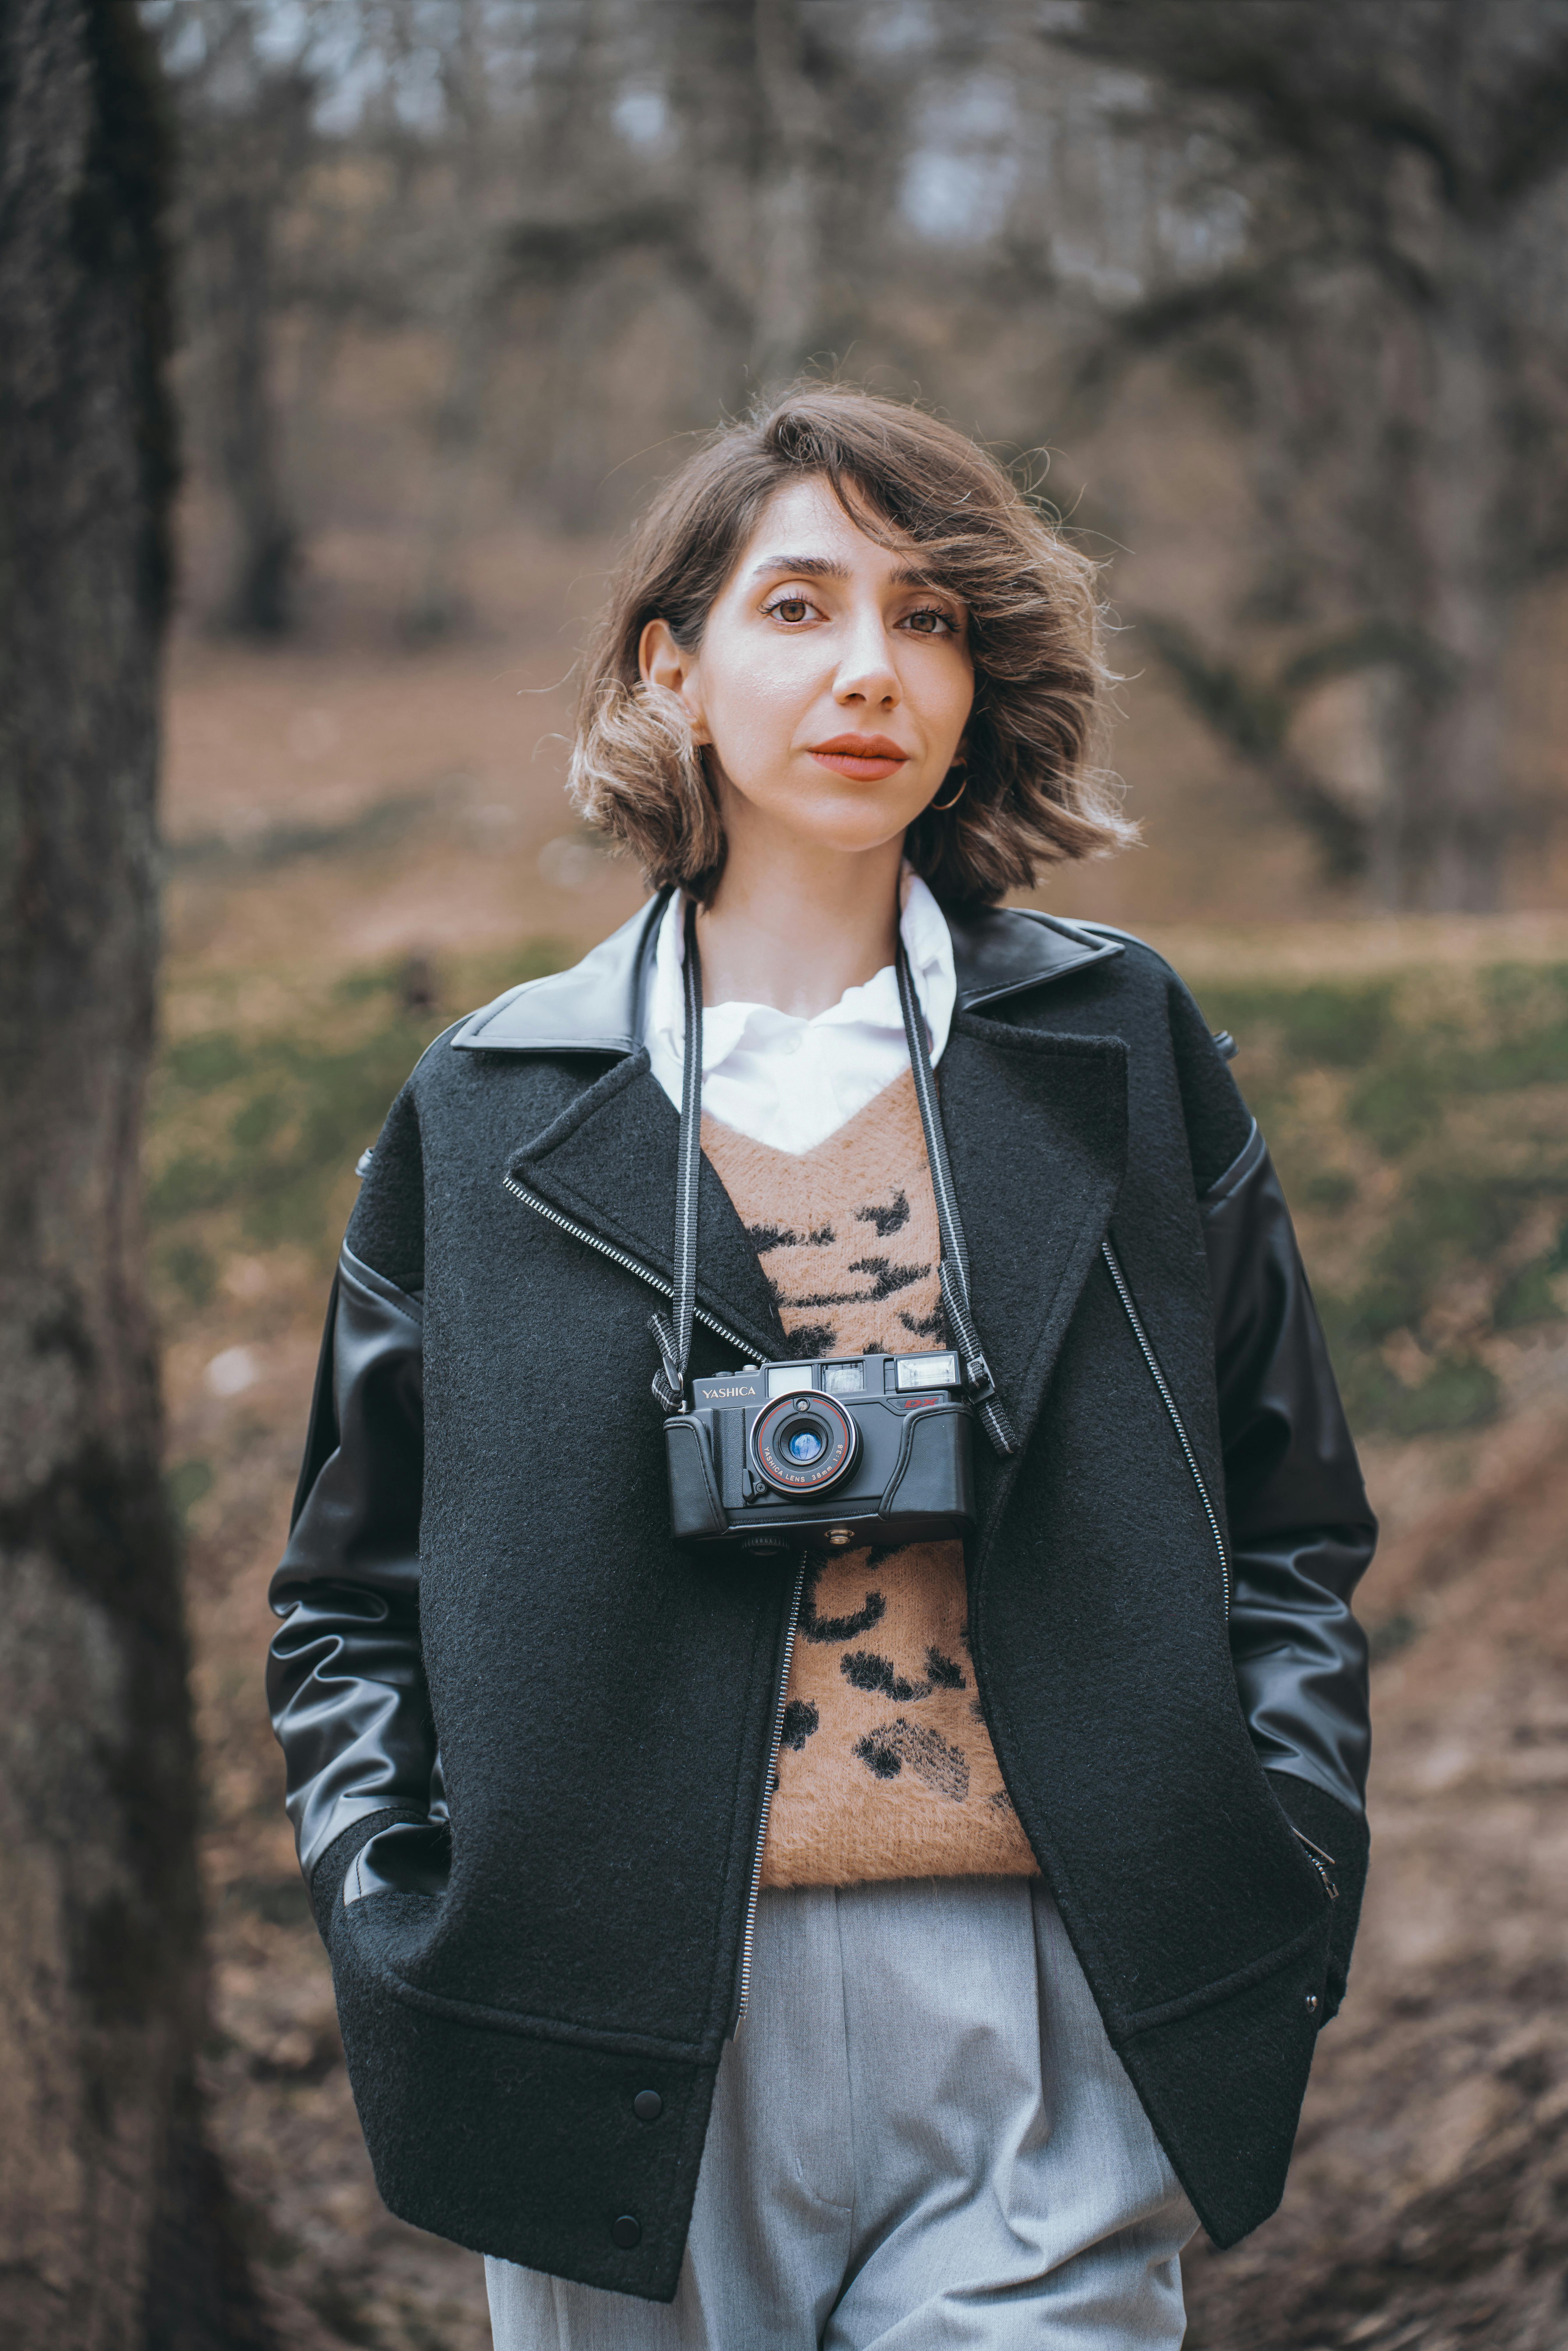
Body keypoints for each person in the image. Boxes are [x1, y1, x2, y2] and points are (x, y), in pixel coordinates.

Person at [268, 385, 1375, 2349]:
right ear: (671, 668)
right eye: (801, 607)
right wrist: (407, 1925)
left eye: (932, 617)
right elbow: (347, 1604)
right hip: (611, 2018)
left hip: (1051, 1997)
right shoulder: (498, 1101)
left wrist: (1281, 1855)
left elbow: (1290, 1521)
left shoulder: (1117, 1050)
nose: (873, 669)